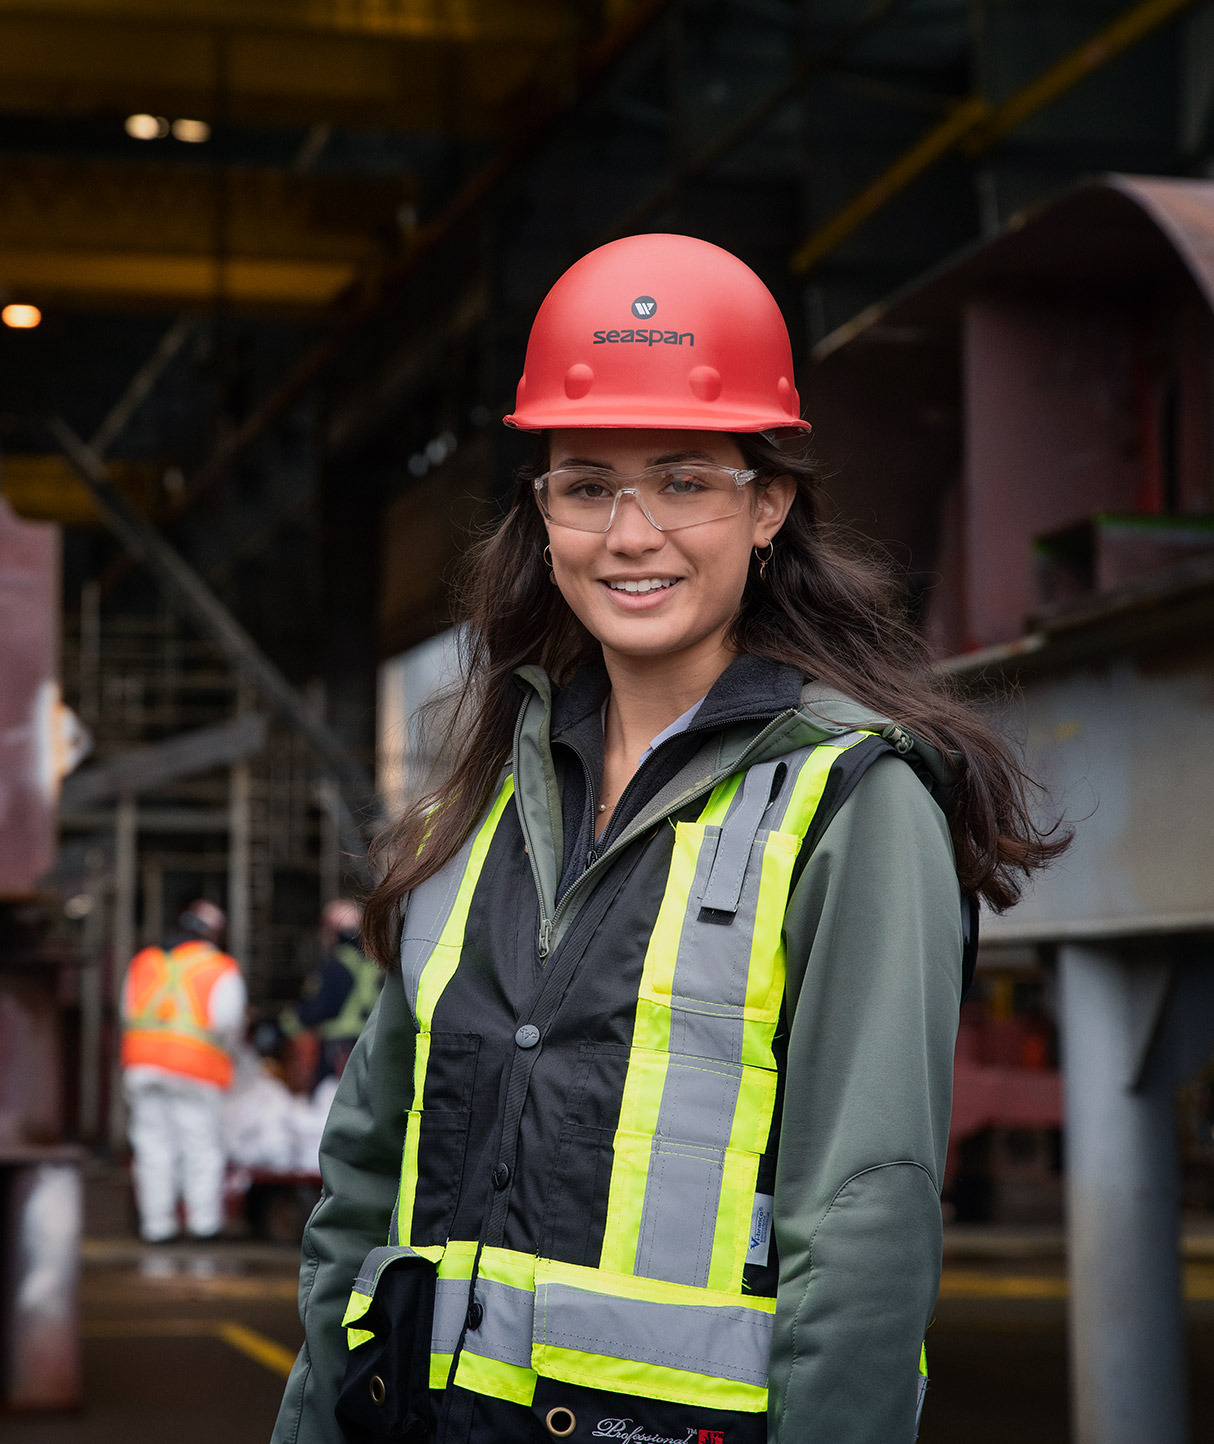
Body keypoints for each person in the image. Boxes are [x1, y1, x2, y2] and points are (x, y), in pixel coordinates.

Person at [272, 234, 1065, 1444]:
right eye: (586, 484)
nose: (628, 532)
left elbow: (862, 1225)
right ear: (543, 515)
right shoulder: (476, 803)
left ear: (767, 507)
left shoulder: (851, 802)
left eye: (683, 480)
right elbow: (360, 1188)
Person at [121, 898, 246, 1242]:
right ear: (213, 933)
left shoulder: (143, 962)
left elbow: (125, 1012)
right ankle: (203, 1225)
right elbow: (228, 1023)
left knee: (152, 1146)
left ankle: (156, 1226)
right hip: (196, 1069)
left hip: (142, 1068)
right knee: (200, 1147)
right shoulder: (219, 967)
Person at [279, 899, 382, 1084]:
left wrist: (280, 1028)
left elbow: (313, 1009)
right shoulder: (373, 967)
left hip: (337, 1052)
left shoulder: (333, 967)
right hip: (369, 1047)